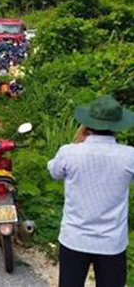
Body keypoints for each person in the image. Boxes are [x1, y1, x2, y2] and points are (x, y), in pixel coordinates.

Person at [48, 95, 134, 287]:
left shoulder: (69, 152)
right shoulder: (129, 156)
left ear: (87, 125)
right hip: (111, 242)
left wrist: (78, 142)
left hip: (74, 239)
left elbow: (54, 171)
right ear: (117, 127)